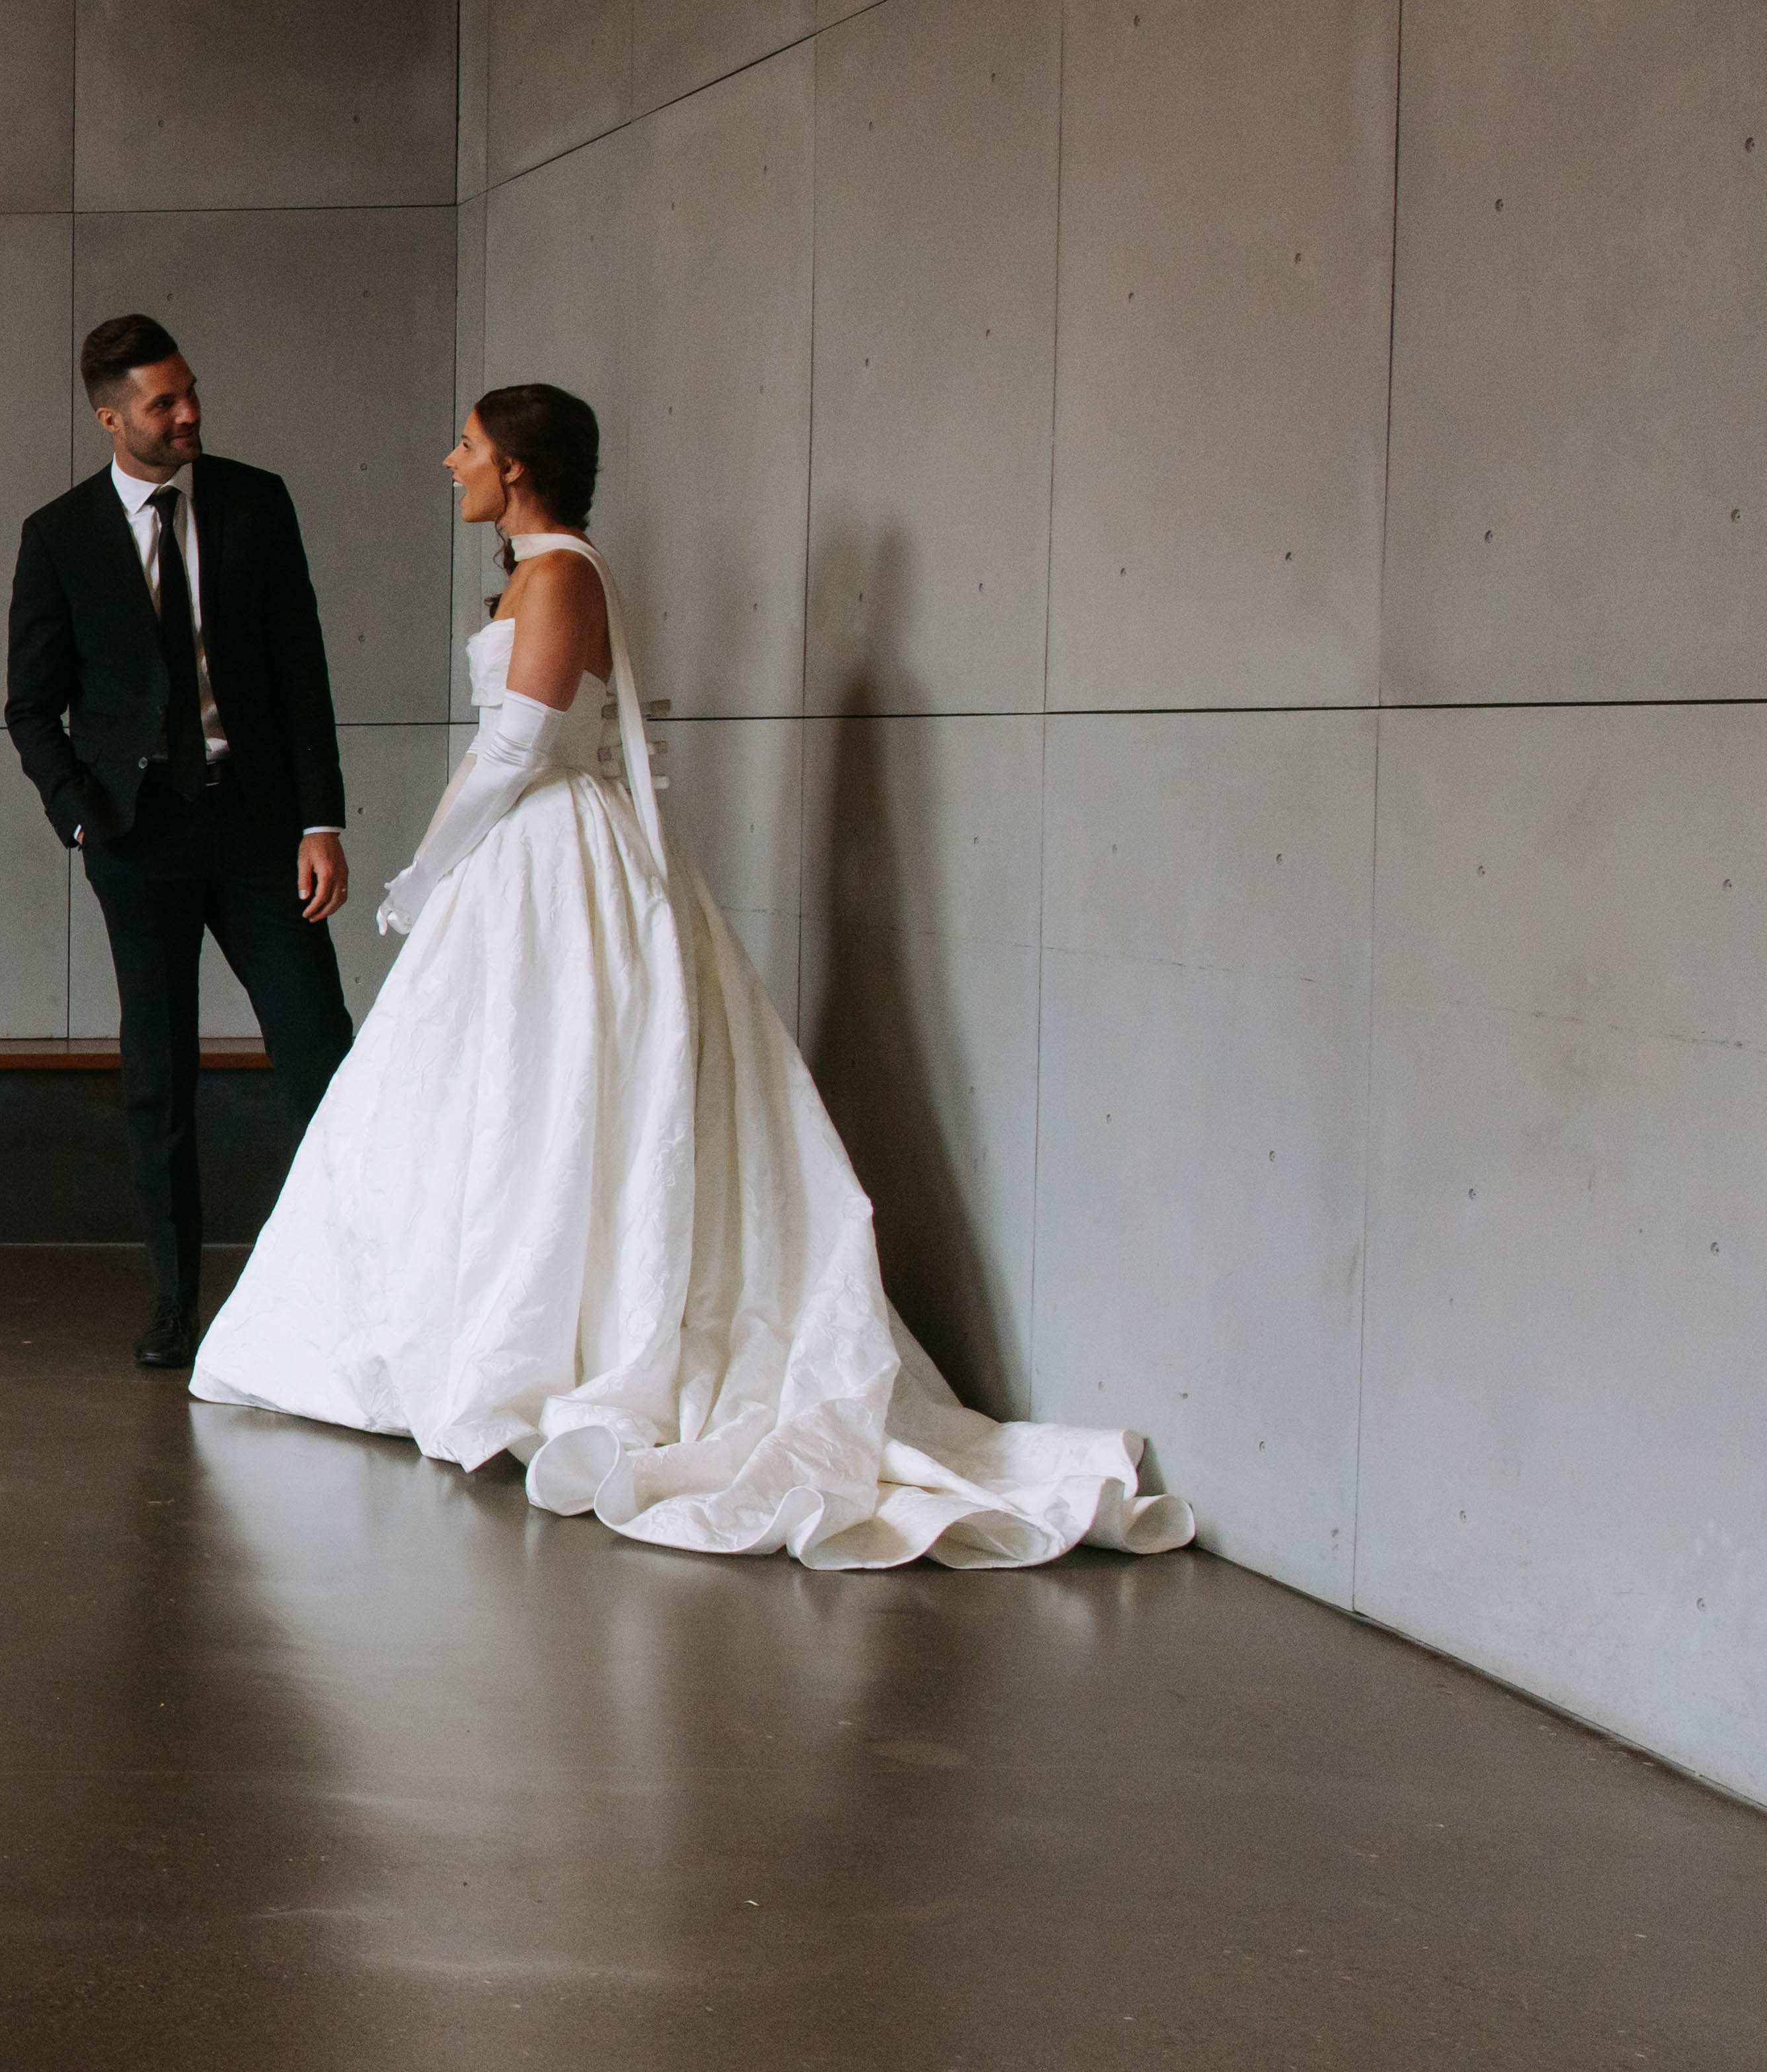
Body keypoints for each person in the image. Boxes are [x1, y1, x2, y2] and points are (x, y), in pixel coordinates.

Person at [187, 382, 1199, 1570]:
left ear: (515, 468)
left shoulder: (560, 572)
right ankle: (469, 1326)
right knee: (488, 1097)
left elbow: (520, 745)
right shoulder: (535, 568)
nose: (448, 458)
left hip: (555, 857)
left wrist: (421, 872)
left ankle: (545, 1344)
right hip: (524, 857)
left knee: (552, 1089)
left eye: (466, 444)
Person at [4, 312, 357, 1369]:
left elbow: (303, 669)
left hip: (258, 825)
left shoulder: (257, 502)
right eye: (163, 402)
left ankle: (355, 1282)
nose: (189, 411)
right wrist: (78, 813)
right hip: (138, 832)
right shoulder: (59, 534)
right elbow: (32, 705)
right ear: (113, 417)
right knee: (159, 1072)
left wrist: (320, 818)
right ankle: (172, 1299)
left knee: (320, 1052)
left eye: (191, 390)